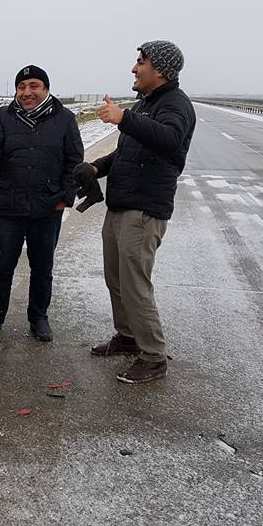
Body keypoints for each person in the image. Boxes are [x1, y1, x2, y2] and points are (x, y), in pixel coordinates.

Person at [74, 40, 196, 383]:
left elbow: (169, 140)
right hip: (121, 205)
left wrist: (124, 118)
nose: (133, 68)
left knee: (135, 285)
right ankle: (127, 337)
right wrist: (96, 168)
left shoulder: (175, 104)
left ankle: (154, 357)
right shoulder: (147, 103)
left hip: (144, 211)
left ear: (159, 68)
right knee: (116, 279)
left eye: (140, 61)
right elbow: (127, 152)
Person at [0, 65, 83, 342]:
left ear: (46, 88)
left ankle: (39, 317)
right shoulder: (3, 116)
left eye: (34, 86)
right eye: (22, 87)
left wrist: (64, 198)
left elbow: (74, 161)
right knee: (1, 266)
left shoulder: (65, 119)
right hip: (8, 207)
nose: (27, 92)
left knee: (42, 267)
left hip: (47, 208)